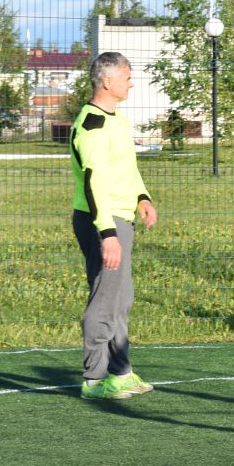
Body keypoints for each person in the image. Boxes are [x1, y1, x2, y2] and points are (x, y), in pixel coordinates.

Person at [70, 51, 158, 400]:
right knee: (105, 300)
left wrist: (142, 198)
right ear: (107, 81)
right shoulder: (91, 126)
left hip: (121, 218)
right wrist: (107, 234)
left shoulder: (117, 120)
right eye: (127, 76)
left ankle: (121, 372)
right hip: (100, 221)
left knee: (122, 297)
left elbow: (127, 169)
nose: (131, 82)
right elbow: (93, 184)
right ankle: (94, 380)